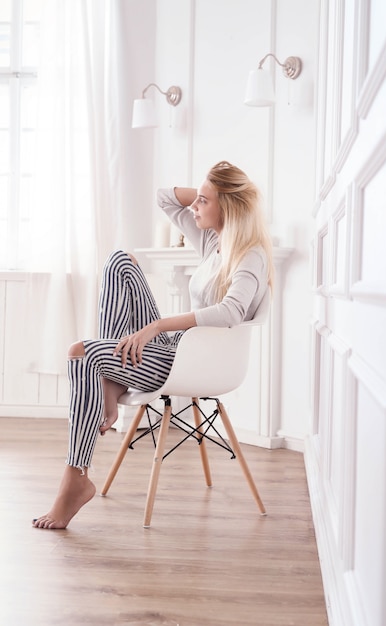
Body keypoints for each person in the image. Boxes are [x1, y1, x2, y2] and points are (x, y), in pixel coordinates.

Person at [32, 161, 273, 530]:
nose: (195, 207)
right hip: (177, 348)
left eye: (204, 201)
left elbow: (230, 312)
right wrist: (210, 192)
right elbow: (165, 199)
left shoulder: (250, 255)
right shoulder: (214, 241)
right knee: (120, 262)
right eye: (199, 200)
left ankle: (75, 477)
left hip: (193, 361)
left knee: (81, 352)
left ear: (226, 206)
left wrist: (156, 325)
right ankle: (110, 385)